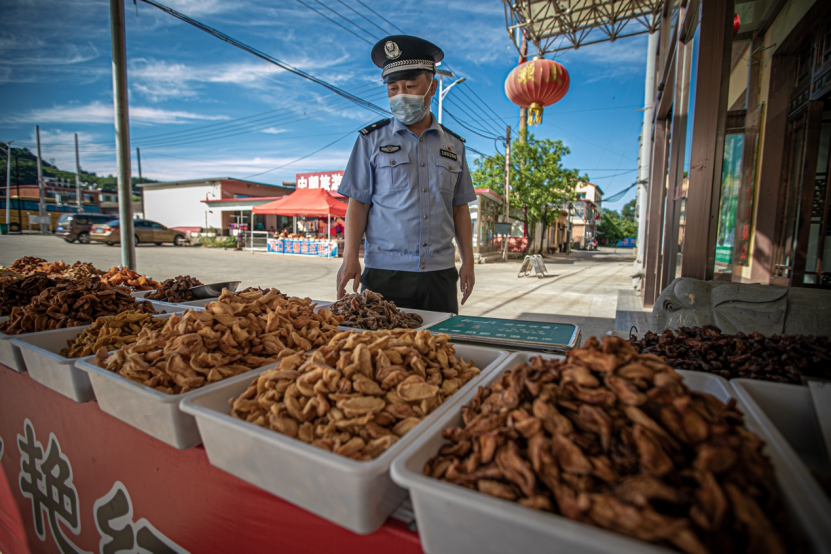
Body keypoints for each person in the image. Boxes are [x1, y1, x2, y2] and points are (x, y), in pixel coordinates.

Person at [336, 35, 476, 314]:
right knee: (382, 353)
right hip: (384, 275)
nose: (401, 95)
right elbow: (358, 203)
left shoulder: (453, 145)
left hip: (439, 275)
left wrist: (468, 261)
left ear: (432, 86)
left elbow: (459, 208)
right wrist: (350, 257)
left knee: (437, 351)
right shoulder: (370, 141)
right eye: (393, 88)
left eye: (411, 86)